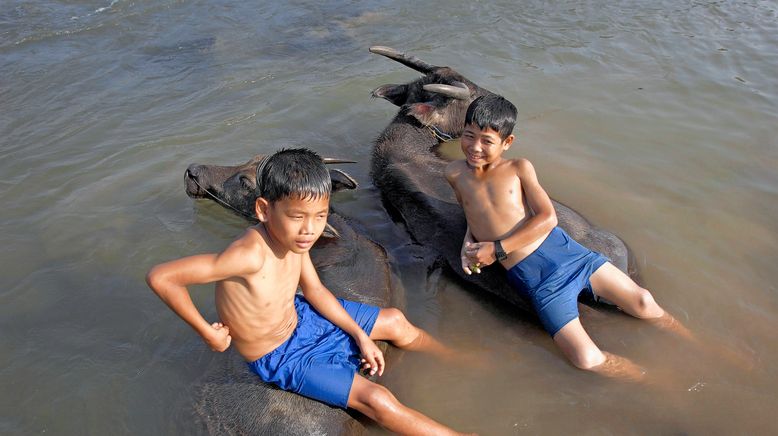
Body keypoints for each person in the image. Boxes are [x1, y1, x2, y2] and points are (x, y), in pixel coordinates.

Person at [147, 148, 469, 435]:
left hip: (302, 316)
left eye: (320, 217)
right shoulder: (246, 255)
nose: (309, 229)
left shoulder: (296, 240)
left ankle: (459, 359)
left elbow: (314, 291)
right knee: (377, 399)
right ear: (263, 209)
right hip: (280, 353)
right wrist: (207, 332)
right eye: (297, 217)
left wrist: (359, 335)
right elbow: (162, 277)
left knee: (396, 322)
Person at [445, 95, 693, 381]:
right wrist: (468, 244)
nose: (475, 147)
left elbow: (547, 217)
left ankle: (695, 343)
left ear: (507, 143)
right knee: (586, 359)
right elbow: (469, 214)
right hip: (538, 279)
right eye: (468, 136)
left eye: (487, 141)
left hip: (569, 255)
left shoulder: (518, 168)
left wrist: (497, 250)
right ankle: (657, 381)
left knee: (644, 301)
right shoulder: (453, 173)